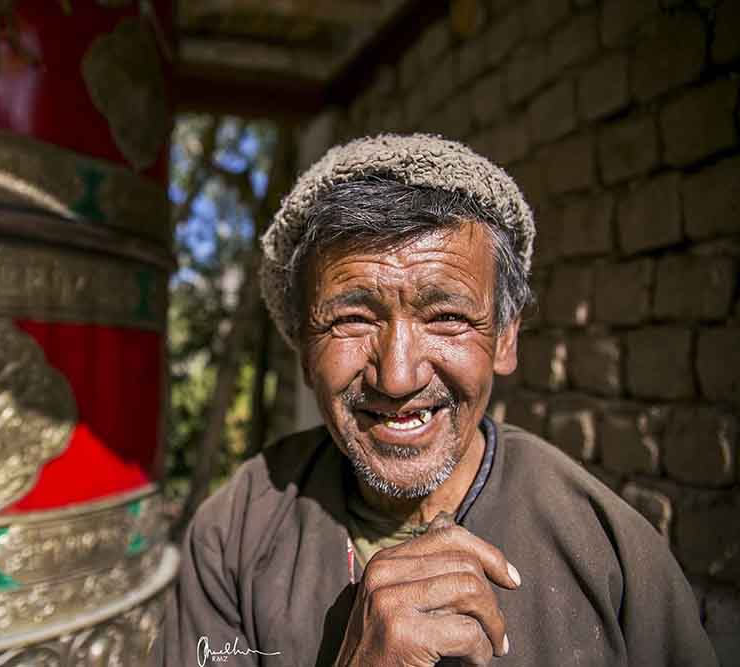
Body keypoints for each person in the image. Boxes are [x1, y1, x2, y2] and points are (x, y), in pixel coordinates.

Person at [153, 134, 717, 666]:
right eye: (351, 319)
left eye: (446, 317)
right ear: (303, 347)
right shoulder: (235, 535)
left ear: (505, 338)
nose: (397, 378)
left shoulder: (608, 554)